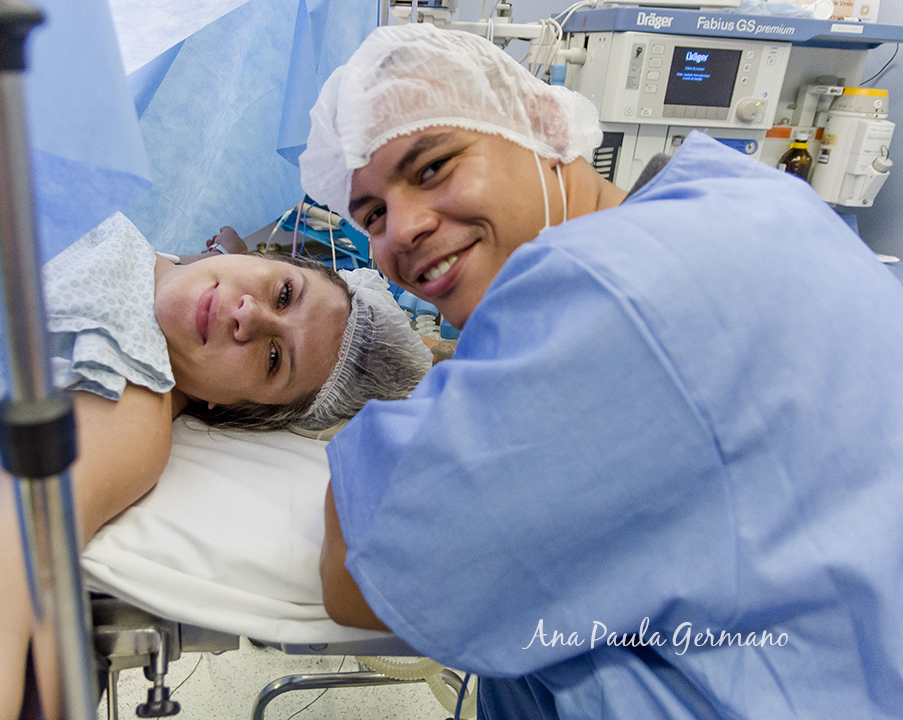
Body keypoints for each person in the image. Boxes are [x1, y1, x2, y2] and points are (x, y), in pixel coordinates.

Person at [299, 23, 903, 719]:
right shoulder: (746, 197)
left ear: (546, 125)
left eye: (432, 166)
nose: (400, 229)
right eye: (370, 214)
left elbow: (361, 573)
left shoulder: (595, 286)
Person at [0, 211, 433, 720]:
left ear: (235, 408)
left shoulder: (129, 401)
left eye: (274, 359)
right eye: (283, 292)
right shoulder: (131, 239)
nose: (251, 315)